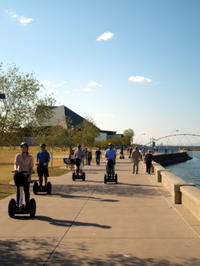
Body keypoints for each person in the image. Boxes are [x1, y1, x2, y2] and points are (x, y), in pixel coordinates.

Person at [14, 142, 34, 209]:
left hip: (26, 175)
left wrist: (30, 176)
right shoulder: (18, 156)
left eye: (25, 147)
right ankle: (19, 205)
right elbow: (15, 164)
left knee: (26, 191)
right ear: (21, 148)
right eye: (22, 147)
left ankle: (27, 205)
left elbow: (31, 167)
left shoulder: (30, 157)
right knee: (19, 190)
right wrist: (15, 169)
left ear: (27, 148)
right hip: (19, 175)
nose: (23, 148)